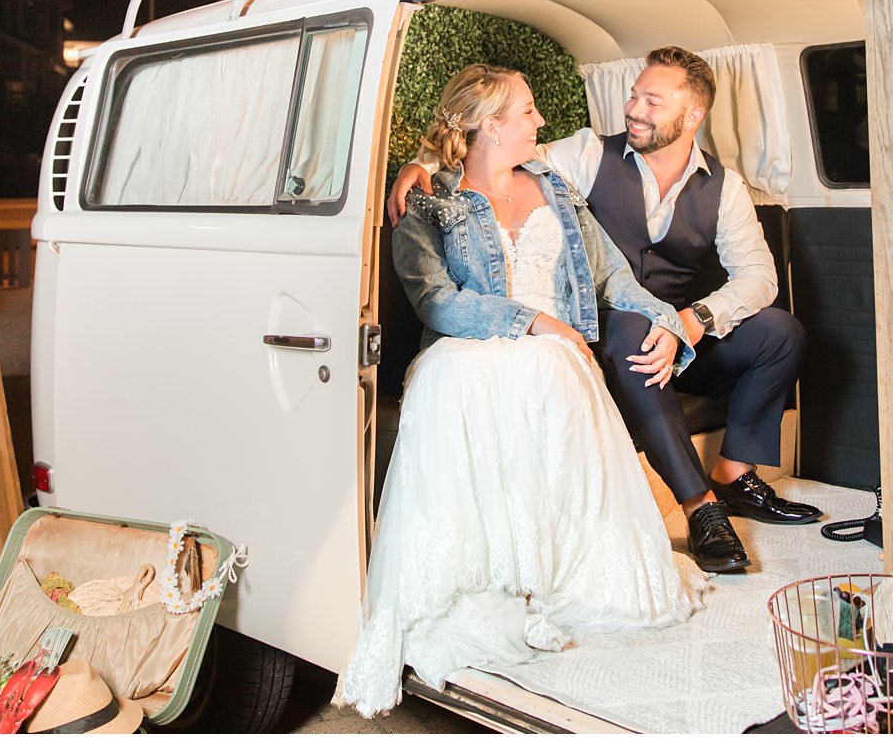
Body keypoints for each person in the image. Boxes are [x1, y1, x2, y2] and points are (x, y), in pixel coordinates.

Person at [338, 64, 707, 719]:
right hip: (473, 340)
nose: (541, 122)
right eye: (529, 110)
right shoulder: (430, 202)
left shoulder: (555, 188)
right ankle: (493, 586)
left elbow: (611, 277)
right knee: (469, 371)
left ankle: (553, 578)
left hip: (552, 348)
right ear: (490, 126)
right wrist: (529, 320)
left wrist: (670, 319)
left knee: (556, 365)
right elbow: (437, 303)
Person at [389, 46, 821, 576]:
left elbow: (758, 277)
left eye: (651, 101)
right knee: (635, 332)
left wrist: (688, 322)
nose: (633, 109)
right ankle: (698, 506)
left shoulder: (725, 188)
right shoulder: (584, 155)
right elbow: (483, 151)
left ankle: (733, 476)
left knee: (781, 332)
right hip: (601, 325)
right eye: (633, 94)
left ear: (692, 117)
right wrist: (420, 165)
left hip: (666, 323)